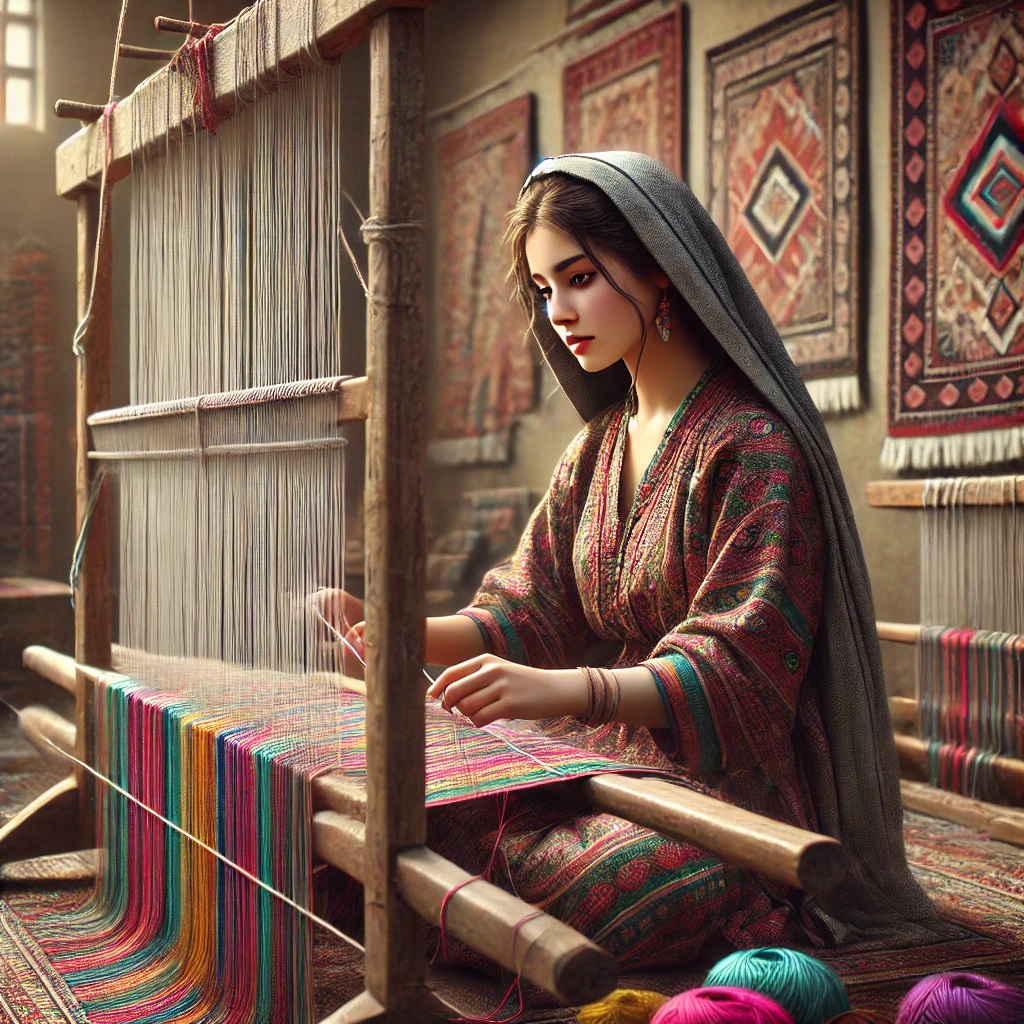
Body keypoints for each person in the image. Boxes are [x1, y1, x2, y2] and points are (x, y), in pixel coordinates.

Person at [323, 152, 956, 967]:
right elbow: (530, 606)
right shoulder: (597, 447)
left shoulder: (754, 449)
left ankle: (446, 901)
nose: (558, 311)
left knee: (642, 880)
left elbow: (742, 669)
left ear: (660, 270)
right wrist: (390, 630)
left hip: (717, 788)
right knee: (374, 793)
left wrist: (568, 690)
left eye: (579, 277)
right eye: (542, 289)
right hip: (587, 757)